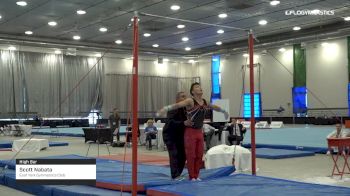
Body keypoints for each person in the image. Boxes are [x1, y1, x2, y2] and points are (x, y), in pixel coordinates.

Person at [159, 82, 229, 181]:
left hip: (198, 132)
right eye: (197, 87)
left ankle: (196, 175)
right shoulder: (190, 101)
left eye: (200, 86)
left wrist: (223, 111)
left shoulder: (204, 101)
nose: (200, 88)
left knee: (199, 155)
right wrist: (165, 108)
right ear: (192, 91)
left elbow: (214, 107)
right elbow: (177, 105)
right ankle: (187, 176)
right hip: (177, 134)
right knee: (185, 155)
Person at [163, 91, 189, 180]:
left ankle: (178, 173)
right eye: (182, 97)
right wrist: (183, 123)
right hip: (170, 135)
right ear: (177, 99)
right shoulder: (173, 108)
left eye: (185, 97)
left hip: (179, 136)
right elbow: (170, 122)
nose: (185, 99)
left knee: (183, 156)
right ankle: (175, 175)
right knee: (174, 154)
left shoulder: (185, 110)